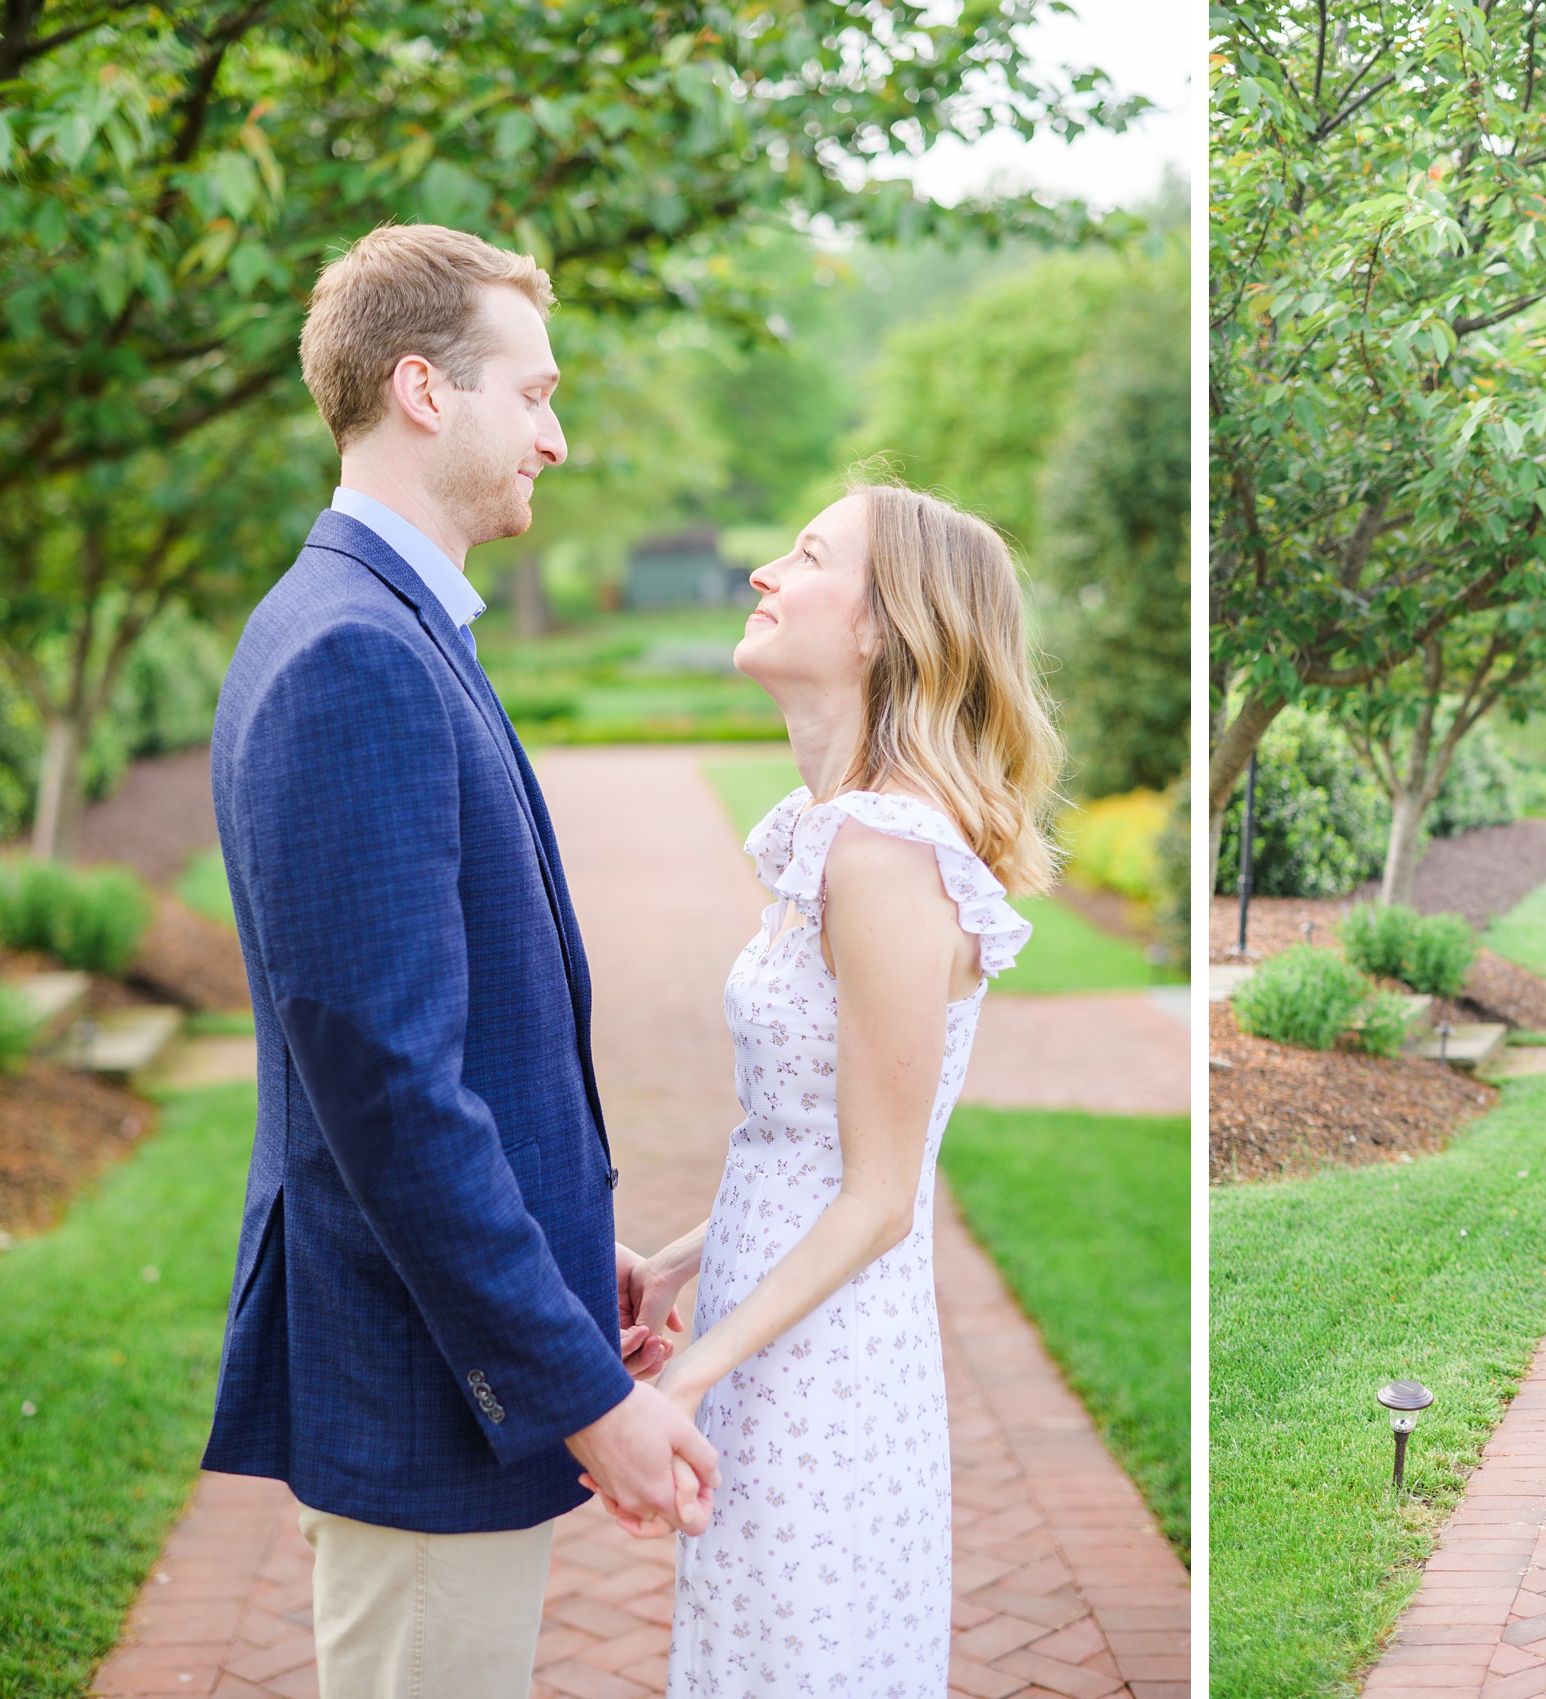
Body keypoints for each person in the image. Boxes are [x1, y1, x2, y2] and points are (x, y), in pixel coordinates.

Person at [204, 223, 718, 1697]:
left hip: (438, 1359)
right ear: (425, 389)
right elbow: (393, 1097)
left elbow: (442, 1047)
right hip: (425, 1398)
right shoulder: (355, 655)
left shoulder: (375, 623)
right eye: (537, 394)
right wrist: (576, 1392)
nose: (556, 436)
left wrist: (565, 1250)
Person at [605, 482, 1059, 1698]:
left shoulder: (883, 856)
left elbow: (881, 1196)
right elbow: (809, 1142)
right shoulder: (833, 833)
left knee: (796, 1659)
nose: (763, 572)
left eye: (805, 555)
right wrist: (674, 1262)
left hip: (822, 1367)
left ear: (878, 628)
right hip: (769, 1312)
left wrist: (687, 1379)